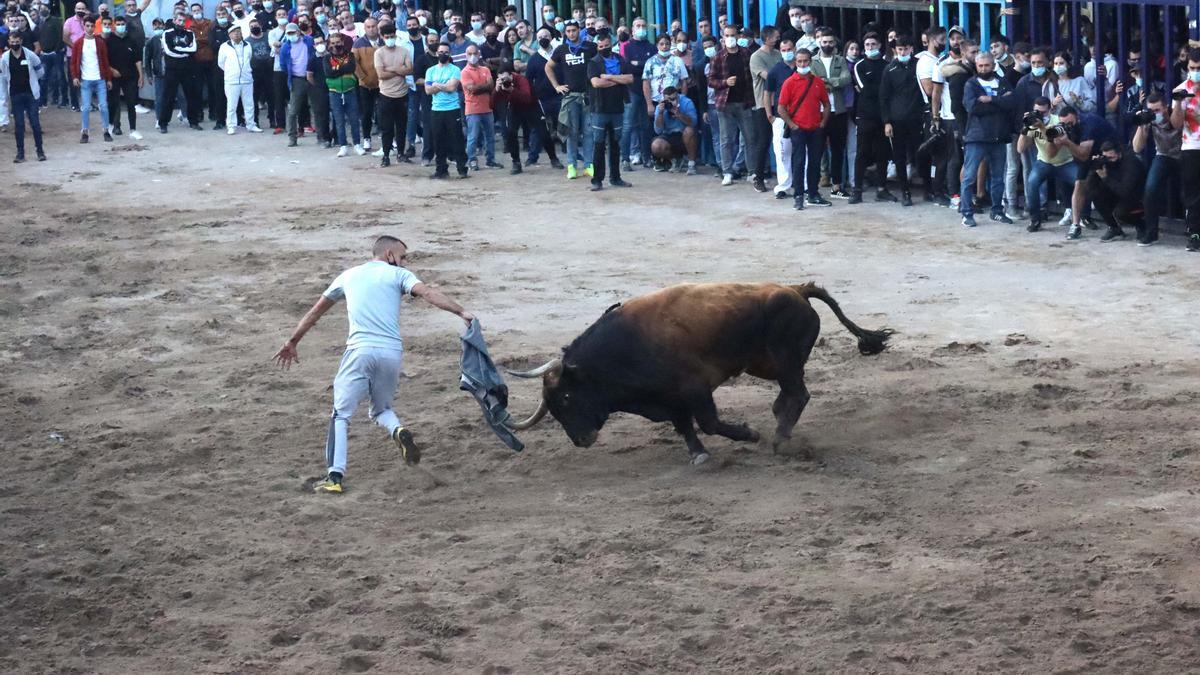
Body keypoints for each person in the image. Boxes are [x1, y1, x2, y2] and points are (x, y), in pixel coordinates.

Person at [273, 235, 474, 495]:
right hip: (391, 353)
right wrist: (460, 312)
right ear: (389, 254)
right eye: (402, 257)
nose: (403, 263)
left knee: (341, 414)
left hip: (360, 351)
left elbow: (315, 313)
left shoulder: (348, 276)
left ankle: (334, 477)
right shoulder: (399, 276)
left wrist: (292, 341)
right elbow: (427, 293)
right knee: (381, 409)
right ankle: (397, 429)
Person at [959, 51, 1015, 228]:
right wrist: (999, 102)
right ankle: (967, 213)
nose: (983, 69)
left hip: (998, 136)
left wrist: (990, 99)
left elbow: (1012, 102)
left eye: (986, 65)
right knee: (969, 177)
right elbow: (973, 107)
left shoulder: (1003, 81)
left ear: (993, 65)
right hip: (977, 136)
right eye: (980, 65)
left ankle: (997, 211)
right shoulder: (971, 84)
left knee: (998, 177)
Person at [1054, 105, 1118, 239]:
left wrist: (1066, 142)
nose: (1067, 126)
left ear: (1077, 117)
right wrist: (1054, 141)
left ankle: (1120, 223)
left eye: (1069, 123)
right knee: (1079, 185)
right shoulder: (1065, 128)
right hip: (1090, 155)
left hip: (1111, 155)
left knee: (1109, 188)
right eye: (1063, 124)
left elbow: (1083, 154)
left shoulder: (1089, 123)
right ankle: (1075, 225)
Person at [778, 47, 830, 209]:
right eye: (799, 61)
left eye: (805, 61)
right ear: (795, 62)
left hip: (815, 128)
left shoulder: (818, 82)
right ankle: (799, 195)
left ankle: (813, 193)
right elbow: (781, 107)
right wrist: (792, 125)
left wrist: (823, 123)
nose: (802, 64)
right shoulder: (789, 83)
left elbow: (826, 104)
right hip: (798, 128)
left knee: (815, 162)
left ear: (810, 61)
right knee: (799, 162)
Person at [1018, 96, 1076, 233]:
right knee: (1032, 183)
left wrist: (1042, 127)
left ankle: (1083, 217)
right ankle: (1035, 219)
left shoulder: (1058, 121)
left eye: (1043, 112)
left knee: (1081, 181)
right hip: (1044, 162)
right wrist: (1025, 128)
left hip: (1064, 162)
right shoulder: (1033, 123)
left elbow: (1053, 151)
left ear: (1050, 109)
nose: (1039, 115)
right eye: (1036, 112)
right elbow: (1020, 149)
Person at [708, 24, 756, 187]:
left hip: (744, 102)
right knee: (726, 139)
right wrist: (724, 83)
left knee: (749, 138)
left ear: (738, 37)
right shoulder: (718, 57)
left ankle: (752, 171)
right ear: (722, 37)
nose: (730, 38)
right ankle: (727, 172)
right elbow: (711, 80)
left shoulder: (746, 54)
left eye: (733, 35)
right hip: (725, 103)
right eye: (727, 35)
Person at [547, 19, 595, 179]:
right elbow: (548, 67)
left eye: (574, 30)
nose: (571, 34)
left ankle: (589, 165)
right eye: (568, 31)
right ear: (565, 33)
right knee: (571, 133)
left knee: (588, 132)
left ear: (579, 31)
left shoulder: (590, 47)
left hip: (588, 95)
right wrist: (556, 86)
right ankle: (571, 166)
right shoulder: (561, 49)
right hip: (570, 97)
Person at [879, 35, 923, 206]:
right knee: (899, 156)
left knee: (921, 152)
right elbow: (883, 97)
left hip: (916, 118)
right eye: (899, 49)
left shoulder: (918, 66)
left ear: (911, 48)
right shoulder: (889, 69)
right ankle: (905, 191)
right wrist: (887, 122)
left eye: (905, 49)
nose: (903, 52)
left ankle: (928, 186)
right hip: (897, 120)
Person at [849, 32, 892, 204]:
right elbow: (865, 89)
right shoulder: (859, 66)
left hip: (883, 117)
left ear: (880, 45)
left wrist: (879, 90)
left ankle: (882, 189)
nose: (870, 48)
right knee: (862, 153)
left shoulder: (887, 66)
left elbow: (890, 89)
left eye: (873, 44)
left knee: (883, 153)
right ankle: (857, 190)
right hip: (865, 116)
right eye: (867, 45)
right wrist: (881, 90)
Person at [586, 32, 633, 191]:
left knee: (615, 144)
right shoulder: (593, 62)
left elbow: (630, 79)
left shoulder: (620, 59)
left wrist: (609, 77)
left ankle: (615, 178)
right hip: (599, 109)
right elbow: (596, 83)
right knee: (598, 145)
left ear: (611, 44)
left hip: (617, 108)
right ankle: (597, 180)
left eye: (606, 45)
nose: (604, 48)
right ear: (597, 46)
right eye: (600, 46)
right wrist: (617, 79)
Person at [1131, 92, 1179, 245]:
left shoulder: (1175, 115)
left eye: (1157, 110)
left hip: (1183, 154)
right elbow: (1137, 148)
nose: (1154, 114)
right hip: (1163, 155)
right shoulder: (1149, 120)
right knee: (1150, 189)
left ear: (1165, 107)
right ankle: (1151, 232)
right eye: (1151, 110)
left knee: (1189, 192)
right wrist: (1142, 125)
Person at [495, 60, 557, 173]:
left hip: (531, 106)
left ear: (511, 75)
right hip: (515, 107)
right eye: (501, 79)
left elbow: (527, 97)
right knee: (511, 132)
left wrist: (512, 90)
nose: (504, 81)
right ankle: (516, 162)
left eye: (505, 78)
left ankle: (553, 158)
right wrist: (496, 90)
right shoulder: (500, 85)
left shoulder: (521, 79)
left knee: (543, 133)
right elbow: (491, 104)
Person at [811, 28, 850, 198]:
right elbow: (812, 82)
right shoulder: (812, 61)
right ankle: (812, 187)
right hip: (818, 112)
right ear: (819, 42)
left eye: (830, 42)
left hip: (838, 111)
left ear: (835, 43)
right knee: (816, 151)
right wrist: (829, 84)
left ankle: (836, 185)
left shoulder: (840, 60)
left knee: (838, 149)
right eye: (824, 42)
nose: (827, 45)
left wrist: (829, 82)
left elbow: (846, 79)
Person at [1083, 141, 1146, 243]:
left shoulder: (1131, 162)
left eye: (1111, 158)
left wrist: (1105, 178)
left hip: (1135, 195)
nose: (1109, 161)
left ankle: (1141, 225)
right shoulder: (1106, 163)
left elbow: (1125, 191)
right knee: (1094, 193)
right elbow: (1088, 188)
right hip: (1116, 190)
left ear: (1119, 153)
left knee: (1121, 213)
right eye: (1106, 157)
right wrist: (1095, 169)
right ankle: (1113, 227)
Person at [425, 41, 468, 178]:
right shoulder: (430, 71)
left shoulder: (455, 70)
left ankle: (462, 168)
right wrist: (443, 85)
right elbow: (428, 90)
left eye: (446, 52)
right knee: (438, 140)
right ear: (437, 53)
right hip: (436, 110)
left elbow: (452, 88)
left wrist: (437, 85)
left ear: (450, 54)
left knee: (457, 139)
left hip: (452, 109)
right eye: (441, 52)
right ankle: (441, 169)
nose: (443, 54)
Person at [1171, 48, 1200, 252]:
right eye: (1192, 68)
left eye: (1198, 68)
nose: (1195, 71)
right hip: (1191, 146)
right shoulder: (1180, 89)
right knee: (1193, 194)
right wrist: (1180, 103)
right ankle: (1195, 233)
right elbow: (1175, 123)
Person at [1, 31, 45, 162]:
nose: (14, 44)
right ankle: (20, 153)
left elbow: (40, 71)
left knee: (35, 123)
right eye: (12, 42)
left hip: (30, 94)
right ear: (9, 42)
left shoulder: (30, 55)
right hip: (15, 94)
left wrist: (32, 82)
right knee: (19, 125)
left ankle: (40, 151)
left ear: (21, 41)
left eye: (16, 41)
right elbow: (4, 74)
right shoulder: (4, 58)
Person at [746, 25, 780, 192]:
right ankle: (758, 176)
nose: (777, 39)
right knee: (763, 141)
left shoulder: (778, 54)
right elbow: (768, 77)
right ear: (767, 38)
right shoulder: (756, 57)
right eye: (774, 36)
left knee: (783, 142)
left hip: (780, 103)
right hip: (763, 103)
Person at [617, 16, 653, 170]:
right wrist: (641, 65)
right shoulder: (626, 46)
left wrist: (637, 64)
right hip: (630, 90)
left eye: (643, 25)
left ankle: (647, 157)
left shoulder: (652, 47)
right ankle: (625, 159)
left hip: (647, 91)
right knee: (627, 126)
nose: (641, 28)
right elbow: (626, 68)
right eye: (637, 25)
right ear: (632, 29)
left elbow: (651, 67)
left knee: (646, 126)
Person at [373, 22, 411, 167]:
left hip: (402, 94)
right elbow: (381, 74)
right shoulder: (379, 53)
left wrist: (391, 69)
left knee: (401, 127)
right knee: (387, 128)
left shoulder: (404, 51)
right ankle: (386, 155)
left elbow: (409, 70)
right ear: (382, 37)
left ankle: (401, 153)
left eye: (392, 36)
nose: (390, 39)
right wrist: (398, 69)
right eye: (387, 36)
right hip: (386, 95)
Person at [526, 28, 564, 169]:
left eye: (546, 36)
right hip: (542, 99)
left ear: (551, 37)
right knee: (539, 129)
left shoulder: (559, 55)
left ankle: (571, 154)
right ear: (537, 39)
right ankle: (532, 157)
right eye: (540, 36)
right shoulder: (534, 59)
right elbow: (528, 80)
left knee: (564, 126)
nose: (543, 38)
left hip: (560, 96)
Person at [69, 23, 113, 143]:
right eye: (87, 26)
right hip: (85, 80)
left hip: (100, 79)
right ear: (84, 27)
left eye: (92, 26)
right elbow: (73, 62)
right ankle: (85, 132)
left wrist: (108, 78)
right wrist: (75, 77)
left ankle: (106, 130)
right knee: (86, 107)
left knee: (103, 106)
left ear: (94, 27)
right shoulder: (78, 43)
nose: (89, 28)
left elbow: (105, 61)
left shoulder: (100, 42)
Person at [160, 10, 202, 132]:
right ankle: (163, 123)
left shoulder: (190, 34)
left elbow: (193, 49)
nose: (181, 23)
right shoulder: (167, 33)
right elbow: (168, 51)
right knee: (168, 97)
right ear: (174, 20)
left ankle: (193, 121)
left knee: (192, 95)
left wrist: (178, 49)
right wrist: (184, 51)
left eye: (184, 21)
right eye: (179, 20)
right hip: (172, 69)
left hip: (187, 69)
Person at [765, 37, 797, 198]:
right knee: (782, 152)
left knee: (801, 151)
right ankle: (784, 185)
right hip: (780, 117)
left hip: (800, 117)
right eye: (783, 50)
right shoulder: (776, 70)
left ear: (795, 48)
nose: (787, 53)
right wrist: (769, 113)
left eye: (789, 49)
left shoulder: (803, 67)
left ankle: (803, 185)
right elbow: (768, 92)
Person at [322, 31, 362, 156]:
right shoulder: (327, 58)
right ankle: (343, 145)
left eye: (338, 42)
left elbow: (350, 68)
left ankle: (357, 144)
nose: (336, 45)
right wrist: (340, 69)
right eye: (333, 43)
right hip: (334, 93)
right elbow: (328, 73)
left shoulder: (350, 55)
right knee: (339, 120)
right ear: (329, 45)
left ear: (342, 43)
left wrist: (336, 69)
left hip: (350, 91)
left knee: (354, 119)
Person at [104, 16, 143, 139]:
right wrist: (111, 70)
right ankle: (110, 127)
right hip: (114, 76)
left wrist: (141, 76)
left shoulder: (131, 40)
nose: (121, 26)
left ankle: (133, 130)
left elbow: (138, 60)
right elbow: (104, 60)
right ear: (114, 25)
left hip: (130, 76)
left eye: (122, 24)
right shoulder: (109, 40)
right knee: (113, 103)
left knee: (131, 103)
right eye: (118, 24)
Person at [218, 23, 261, 133]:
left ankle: (251, 124)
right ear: (229, 34)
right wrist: (231, 71)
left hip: (247, 79)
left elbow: (249, 58)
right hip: (232, 80)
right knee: (232, 105)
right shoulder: (224, 47)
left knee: (249, 104)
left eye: (239, 32)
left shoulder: (247, 45)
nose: (237, 34)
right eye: (234, 32)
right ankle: (231, 126)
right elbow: (221, 63)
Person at [650, 84, 698, 173]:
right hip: (669, 135)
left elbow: (693, 123)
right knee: (656, 145)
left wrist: (679, 114)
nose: (670, 102)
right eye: (667, 100)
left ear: (678, 97)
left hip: (684, 134)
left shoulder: (687, 102)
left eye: (673, 99)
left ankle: (692, 163)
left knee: (689, 131)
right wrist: (660, 114)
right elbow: (658, 131)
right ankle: (675, 159)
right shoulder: (660, 107)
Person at [351, 16, 381, 152]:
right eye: (368, 27)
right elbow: (354, 63)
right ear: (364, 28)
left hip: (383, 83)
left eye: (373, 26)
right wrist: (363, 77)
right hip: (365, 84)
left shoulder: (383, 41)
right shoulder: (358, 43)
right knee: (367, 113)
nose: (371, 29)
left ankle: (387, 138)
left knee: (383, 112)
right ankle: (367, 138)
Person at [247, 18, 276, 130]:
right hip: (254, 72)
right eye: (252, 26)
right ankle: (255, 120)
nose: (254, 28)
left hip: (269, 70)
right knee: (254, 97)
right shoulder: (247, 41)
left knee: (271, 97)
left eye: (256, 25)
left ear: (260, 25)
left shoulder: (268, 36)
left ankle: (272, 119)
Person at [63, 2, 89, 110]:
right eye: (79, 8)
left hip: (87, 55)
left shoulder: (88, 22)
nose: (81, 10)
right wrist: (77, 49)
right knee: (73, 79)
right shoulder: (69, 22)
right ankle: (75, 103)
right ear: (75, 9)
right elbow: (65, 38)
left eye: (83, 8)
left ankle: (87, 103)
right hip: (72, 55)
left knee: (87, 79)